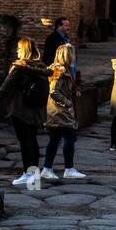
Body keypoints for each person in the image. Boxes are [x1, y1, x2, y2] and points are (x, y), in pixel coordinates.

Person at [0, 38, 50, 186]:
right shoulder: (41, 67)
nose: (16, 50)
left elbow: (6, 86)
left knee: (25, 142)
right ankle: (34, 175)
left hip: (20, 108)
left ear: (24, 50)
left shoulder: (19, 67)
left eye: (18, 48)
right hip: (37, 109)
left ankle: (27, 174)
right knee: (33, 140)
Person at [41, 43, 85, 180]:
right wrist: (67, 103)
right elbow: (53, 91)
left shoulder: (63, 69)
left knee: (55, 140)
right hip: (59, 111)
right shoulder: (59, 70)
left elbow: (61, 89)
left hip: (57, 111)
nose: (75, 56)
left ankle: (48, 168)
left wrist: (73, 93)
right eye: (72, 53)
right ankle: (68, 169)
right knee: (69, 138)